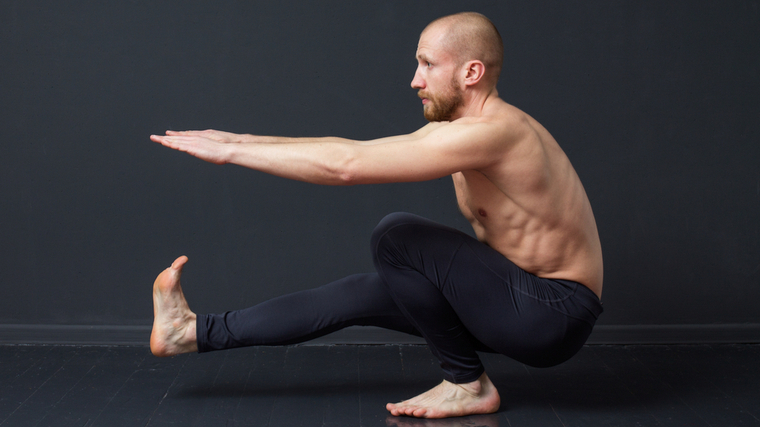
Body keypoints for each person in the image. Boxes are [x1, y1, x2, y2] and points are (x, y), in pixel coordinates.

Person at [149, 12, 603, 419]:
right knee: (360, 293)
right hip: (515, 303)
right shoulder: (459, 130)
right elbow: (351, 149)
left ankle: (467, 383)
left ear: (471, 72)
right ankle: (191, 332)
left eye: (427, 64)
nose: (415, 80)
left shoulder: (495, 132)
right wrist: (245, 140)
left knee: (397, 237)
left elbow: (345, 167)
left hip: (552, 313)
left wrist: (230, 153)